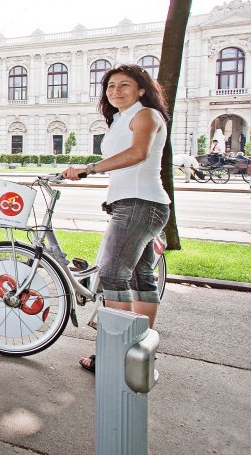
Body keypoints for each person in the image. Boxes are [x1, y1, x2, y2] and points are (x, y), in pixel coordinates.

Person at [62, 64, 170, 374]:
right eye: (110, 86)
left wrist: (90, 168)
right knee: (141, 277)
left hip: (140, 203)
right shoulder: (122, 119)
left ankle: (116, 355)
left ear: (141, 90)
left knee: (112, 275)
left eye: (124, 85)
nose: (115, 91)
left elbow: (138, 153)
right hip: (138, 203)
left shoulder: (146, 115)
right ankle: (140, 350)